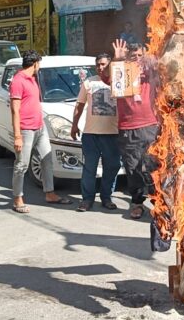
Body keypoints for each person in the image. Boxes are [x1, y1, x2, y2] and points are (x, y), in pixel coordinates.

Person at [11, 50, 70, 213]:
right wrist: (17, 135)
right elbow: (15, 110)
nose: (39, 67)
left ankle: (49, 193)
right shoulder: (18, 80)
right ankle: (18, 198)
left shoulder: (32, 79)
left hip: (39, 126)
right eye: (39, 64)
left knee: (47, 158)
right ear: (35, 63)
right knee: (21, 165)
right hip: (25, 129)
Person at [112, 40, 159, 220]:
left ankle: (158, 202)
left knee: (153, 166)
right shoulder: (120, 71)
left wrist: (153, 59)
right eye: (133, 56)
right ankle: (137, 202)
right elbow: (108, 79)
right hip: (128, 128)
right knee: (133, 168)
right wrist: (117, 59)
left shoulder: (151, 72)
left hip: (150, 126)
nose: (137, 59)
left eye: (140, 56)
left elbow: (167, 68)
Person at [70, 53, 121, 211]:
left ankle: (106, 197)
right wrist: (74, 125)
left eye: (104, 64)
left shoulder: (118, 82)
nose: (100, 67)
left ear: (110, 65)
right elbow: (79, 106)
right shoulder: (89, 83)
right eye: (98, 64)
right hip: (91, 134)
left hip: (113, 134)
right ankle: (87, 199)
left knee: (111, 167)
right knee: (89, 168)